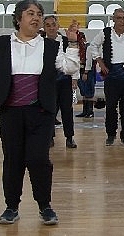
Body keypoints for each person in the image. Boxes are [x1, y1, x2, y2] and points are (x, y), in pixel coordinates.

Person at [0, 0, 80, 226]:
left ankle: (45, 205)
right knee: (13, 160)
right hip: (10, 111)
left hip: (40, 112)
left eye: (39, 13)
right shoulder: (1, 43)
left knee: (39, 159)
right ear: (18, 18)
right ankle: (11, 206)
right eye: (30, 13)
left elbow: (70, 68)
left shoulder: (51, 46)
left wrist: (72, 43)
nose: (36, 17)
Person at [86, 8, 124, 146]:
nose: (122, 21)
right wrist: (100, 62)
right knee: (110, 107)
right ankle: (110, 135)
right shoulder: (105, 33)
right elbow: (93, 46)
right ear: (113, 19)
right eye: (119, 18)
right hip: (111, 75)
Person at [43, 15, 78, 149]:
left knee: (67, 110)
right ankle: (49, 137)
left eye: (53, 24)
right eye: (48, 25)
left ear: (58, 26)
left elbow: (74, 59)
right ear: (44, 27)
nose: (51, 28)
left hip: (64, 80)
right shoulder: (40, 42)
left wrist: (74, 78)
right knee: (49, 110)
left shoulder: (66, 40)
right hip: (48, 82)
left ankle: (69, 137)